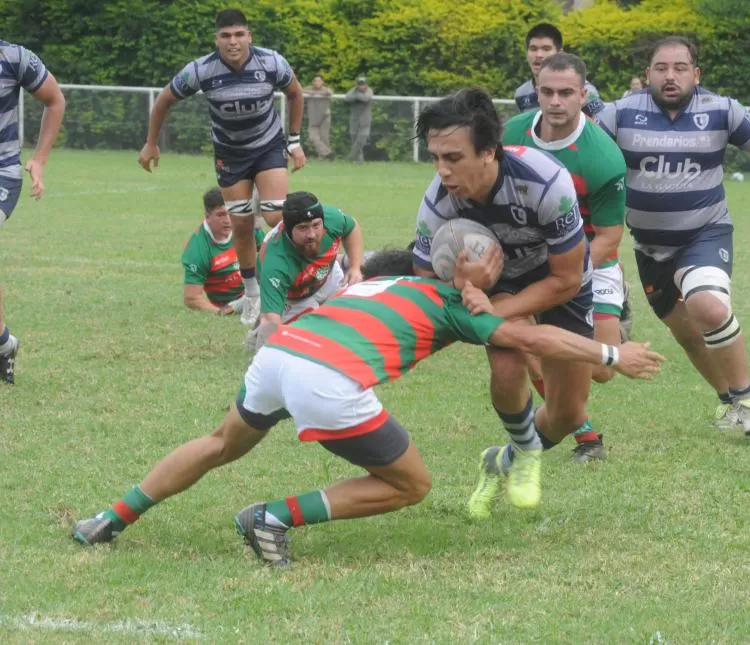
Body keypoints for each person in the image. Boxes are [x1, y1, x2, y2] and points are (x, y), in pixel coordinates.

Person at [71, 247, 666, 567]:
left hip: (281, 355)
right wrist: (612, 356)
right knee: (411, 484)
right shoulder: (453, 300)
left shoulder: (374, 283)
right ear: (460, 265)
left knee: (220, 443)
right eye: (488, 259)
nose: (496, 267)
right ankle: (273, 517)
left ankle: (111, 518)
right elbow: (533, 340)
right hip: (326, 380)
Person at [596, 35, 750, 436]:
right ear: (647, 76)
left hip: (705, 233)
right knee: (686, 333)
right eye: (661, 68)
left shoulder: (721, 110)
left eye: (680, 68)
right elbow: (586, 158)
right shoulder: (619, 114)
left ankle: (748, 398)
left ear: (696, 74)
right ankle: (729, 402)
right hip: (648, 246)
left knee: (708, 308)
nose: (670, 76)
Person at [412, 87, 598, 518]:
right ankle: (527, 451)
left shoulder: (545, 182)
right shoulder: (437, 203)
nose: (442, 171)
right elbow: (424, 282)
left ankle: (501, 461)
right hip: (491, 286)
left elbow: (566, 279)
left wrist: (494, 309)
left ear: (489, 151)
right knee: (507, 359)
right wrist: (465, 285)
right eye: (435, 157)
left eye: (453, 158)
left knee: (569, 413)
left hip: (555, 280)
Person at [136, 8, 307, 328]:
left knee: (273, 216)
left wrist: (294, 141)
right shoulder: (200, 70)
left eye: (239, 34)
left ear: (249, 36)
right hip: (230, 155)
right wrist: (151, 143)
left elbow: (296, 94)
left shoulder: (271, 62)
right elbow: (163, 101)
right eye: (226, 36)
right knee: (241, 226)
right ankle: (254, 296)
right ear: (216, 39)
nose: (233, 42)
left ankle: (295, 283)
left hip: (269, 147)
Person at [502, 53, 628, 464]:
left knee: (603, 370)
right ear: (536, 90)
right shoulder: (513, 134)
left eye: (566, 93)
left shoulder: (603, 157)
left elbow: (610, 236)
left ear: (583, 94)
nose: (556, 101)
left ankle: (611, 319)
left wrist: (564, 272)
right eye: (547, 92)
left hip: (591, 261)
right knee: (527, 343)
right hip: (526, 260)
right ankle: (580, 430)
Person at [0, 40, 65, 385]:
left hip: (2, 171)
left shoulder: (15, 58)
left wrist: (39, 159)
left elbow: (55, 100)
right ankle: (4, 344)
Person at [254, 191, 364, 333]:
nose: (311, 234)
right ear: (288, 229)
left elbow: (351, 227)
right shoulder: (275, 262)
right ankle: (265, 315)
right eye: (303, 228)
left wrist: (355, 267)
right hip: (293, 298)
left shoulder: (331, 219)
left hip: (329, 278)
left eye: (316, 225)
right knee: (295, 336)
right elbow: (271, 322)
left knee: (355, 316)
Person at [182, 188, 267, 314]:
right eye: (221, 214)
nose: (227, 220)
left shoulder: (244, 226)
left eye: (230, 213)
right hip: (230, 303)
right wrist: (219, 312)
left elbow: (269, 252)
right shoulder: (198, 248)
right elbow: (191, 298)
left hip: (258, 287)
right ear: (207, 216)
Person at [513, 23, 604, 118]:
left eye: (546, 49)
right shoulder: (521, 94)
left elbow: (599, 129)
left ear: (560, 53)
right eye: (533, 49)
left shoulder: (585, 91)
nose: (538, 55)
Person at [304, 73, 333, 159]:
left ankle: (324, 158)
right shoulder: (309, 89)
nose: (317, 82)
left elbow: (330, 92)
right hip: (313, 119)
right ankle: (328, 153)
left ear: (322, 82)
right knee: (313, 137)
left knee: (325, 137)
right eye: (315, 81)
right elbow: (300, 90)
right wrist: (312, 93)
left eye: (319, 81)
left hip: (324, 117)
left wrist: (322, 94)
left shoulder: (325, 90)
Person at [345, 77, 374, 163]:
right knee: (354, 140)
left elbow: (366, 98)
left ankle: (350, 157)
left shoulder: (369, 90)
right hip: (354, 120)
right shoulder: (353, 90)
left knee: (362, 139)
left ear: (366, 85)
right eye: (359, 84)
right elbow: (347, 98)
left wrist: (356, 96)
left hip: (365, 120)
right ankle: (359, 160)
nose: (361, 86)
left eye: (363, 84)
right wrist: (357, 96)